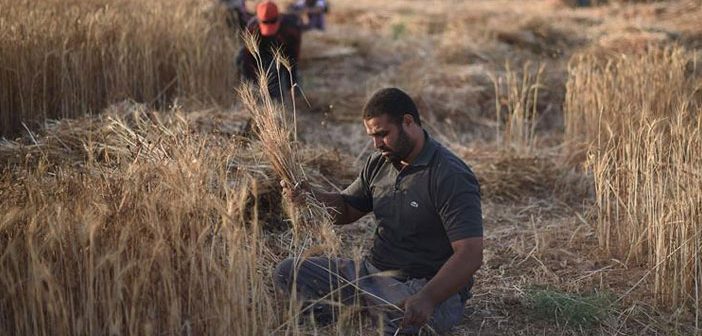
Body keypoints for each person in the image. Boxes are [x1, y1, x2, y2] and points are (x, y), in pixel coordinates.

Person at [276, 88, 483, 335]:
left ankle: (378, 312)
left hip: (420, 285)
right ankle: (362, 310)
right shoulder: (379, 162)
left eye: (383, 134)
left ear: (408, 122)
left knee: (406, 325)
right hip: (370, 275)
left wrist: (427, 298)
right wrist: (311, 198)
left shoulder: (449, 175)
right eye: (372, 136)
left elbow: (470, 254)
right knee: (289, 272)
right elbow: (347, 208)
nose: (376, 144)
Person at [237, 1, 302, 100]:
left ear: (279, 18)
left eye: (272, 23)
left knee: (274, 75)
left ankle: (277, 101)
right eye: (265, 23)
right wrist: (255, 82)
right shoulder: (252, 27)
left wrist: (292, 84)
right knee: (240, 57)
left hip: (282, 54)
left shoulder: (291, 28)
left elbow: (293, 57)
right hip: (260, 52)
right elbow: (247, 57)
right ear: (258, 19)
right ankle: (251, 96)